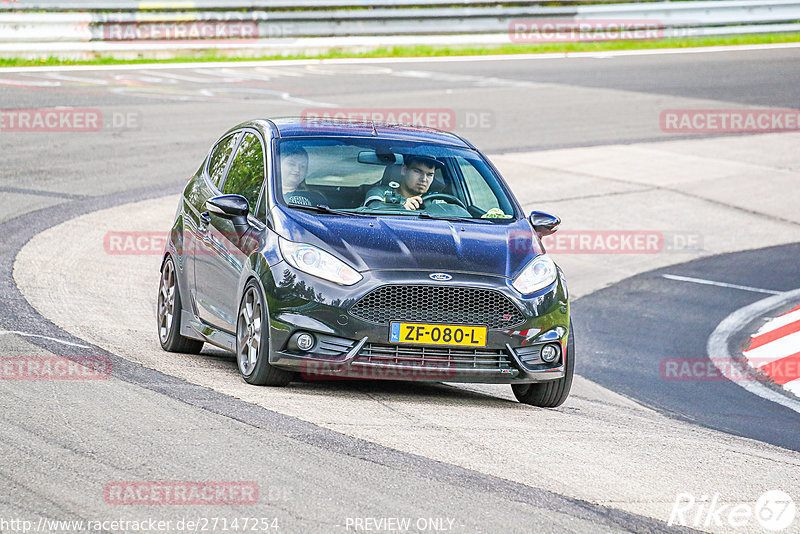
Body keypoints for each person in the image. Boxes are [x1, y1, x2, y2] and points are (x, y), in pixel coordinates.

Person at [363, 155, 439, 211]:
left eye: (430, 175)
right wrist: (401, 208)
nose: (423, 179)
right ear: (404, 170)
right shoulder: (381, 193)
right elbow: (374, 207)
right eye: (417, 171)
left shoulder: (435, 201)